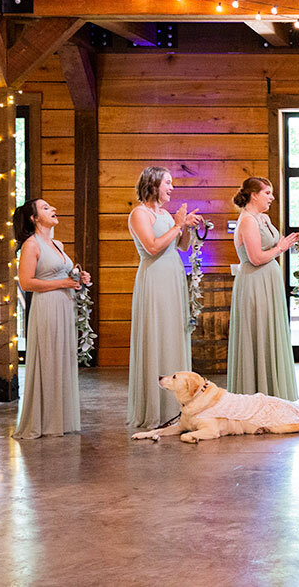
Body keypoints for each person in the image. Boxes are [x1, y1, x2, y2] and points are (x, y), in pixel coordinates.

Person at [127, 166, 202, 429]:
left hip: (172, 275)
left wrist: (186, 228)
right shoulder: (139, 213)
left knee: (173, 333)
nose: (172, 187)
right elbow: (152, 247)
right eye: (168, 182)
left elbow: (180, 247)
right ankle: (156, 407)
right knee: (157, 334)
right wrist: (178, 224)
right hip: (155, 277)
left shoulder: (165, 214)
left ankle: (178, 404)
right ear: (153, 184)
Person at [12, 199, 90, 439]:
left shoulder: (56, 243)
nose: (53, 209)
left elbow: (62, 273)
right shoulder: (31, 245)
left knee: (62, 360)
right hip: (46, 308)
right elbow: (26, 282)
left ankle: (60, 419)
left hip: (64, 306)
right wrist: (64, 283)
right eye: (46, 208)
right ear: (34, 218)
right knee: (48, 359)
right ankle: (43, 421)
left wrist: (78, 277)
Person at [227, 177, 299, 400]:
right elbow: (256, 258)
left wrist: (288, 243)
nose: (272, 197)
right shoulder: (248, 220)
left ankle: (273, 391)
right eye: (267, 193)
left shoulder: (264, 218)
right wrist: (281, 247)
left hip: (269, 282)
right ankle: (255, 392)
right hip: (254, 283)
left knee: (270, 331)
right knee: (257, 331)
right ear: (254, 195)